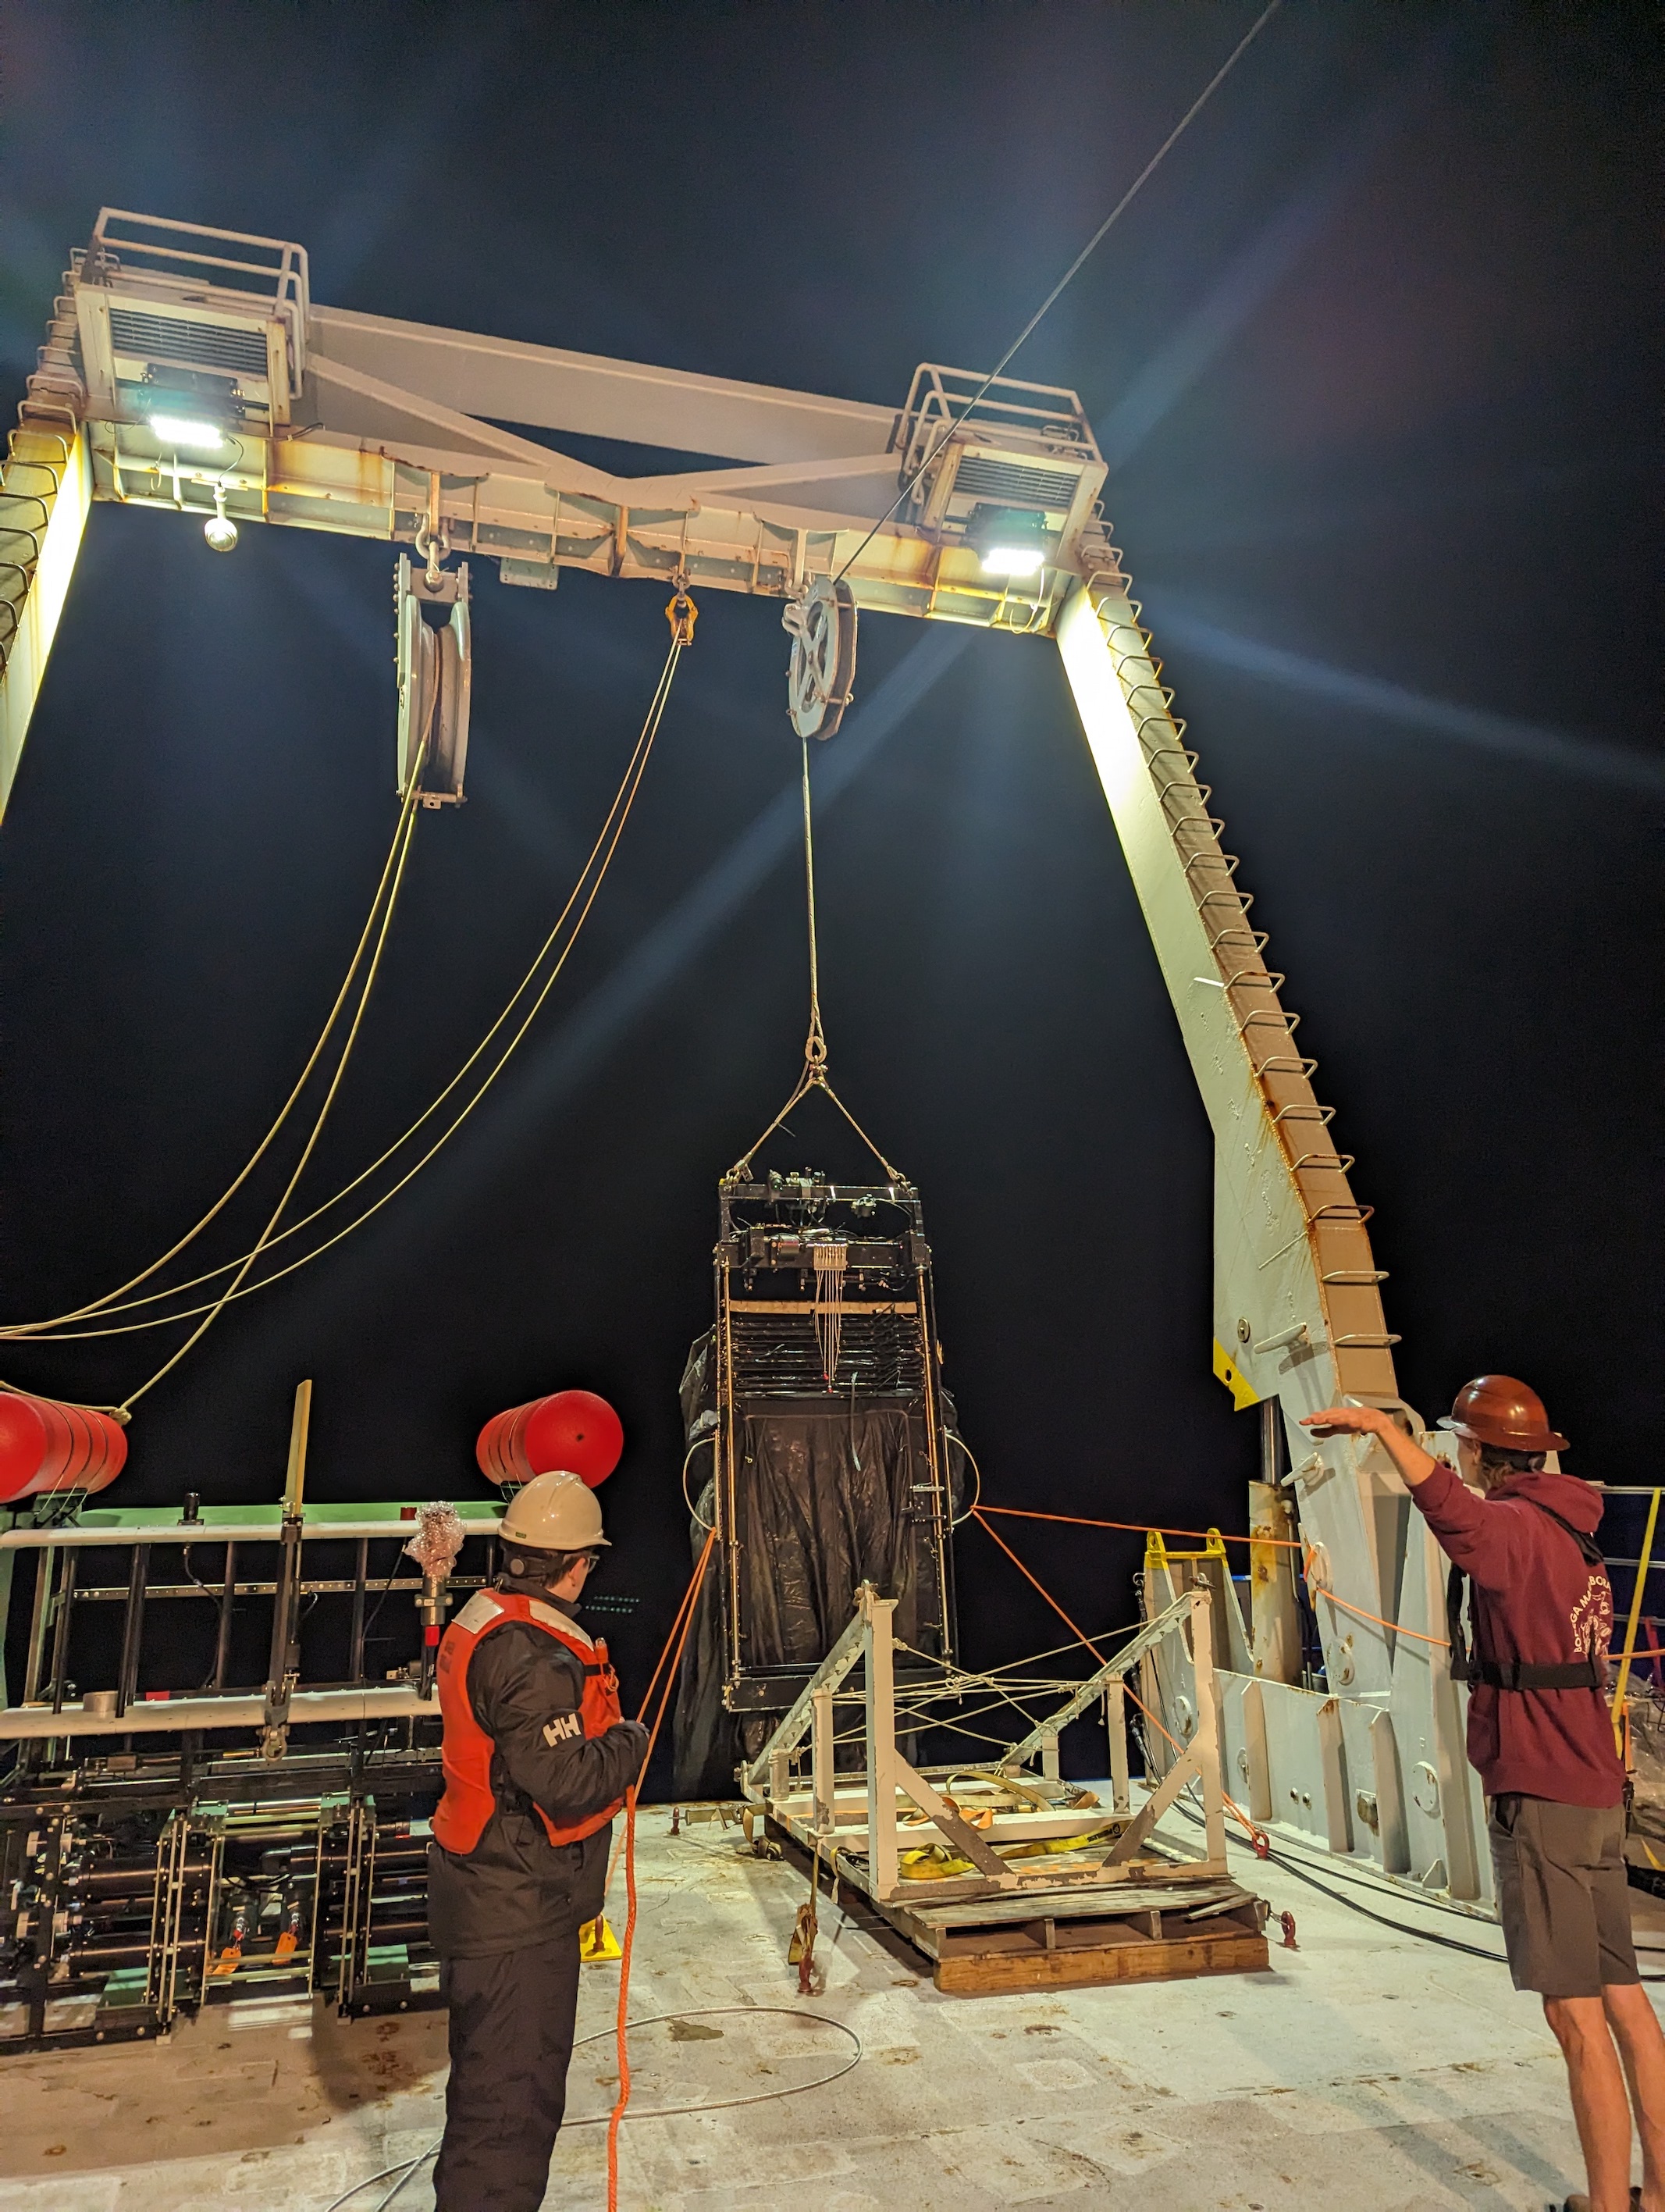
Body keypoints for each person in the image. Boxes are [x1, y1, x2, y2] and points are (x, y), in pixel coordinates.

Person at [1304, 1377, 1665, 2212]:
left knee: (1576, 2023)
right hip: (1594, 1794)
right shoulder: (1571, 1527)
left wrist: (1376, 1427)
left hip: (1540, 1796)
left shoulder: (1507, 1530)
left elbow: (1449, 1510)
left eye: (1458, 1445)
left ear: (1475, 1449)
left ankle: (1609, 2207)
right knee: (1627, 2006)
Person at [427, 1468, 648, 2212]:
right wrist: (631, 1741)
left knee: (496, 2107)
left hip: (495, 1890)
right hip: (516, 1908)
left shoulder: (485, 1615)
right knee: (507, 2121)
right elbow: (565, 1779)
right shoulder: (528, 1652)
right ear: (578, 1562)